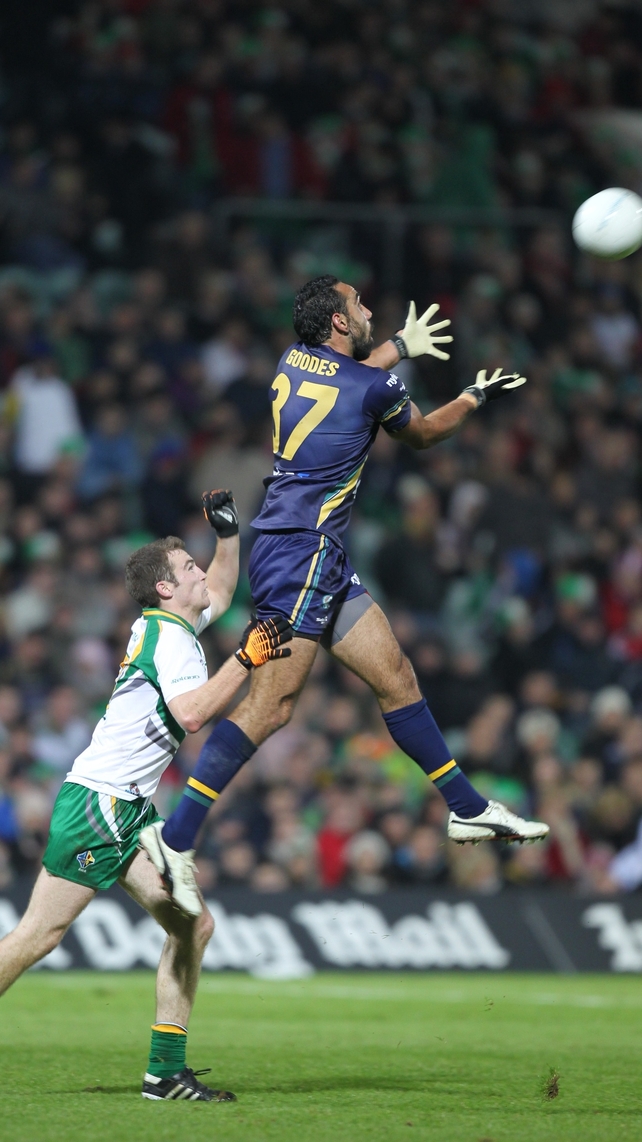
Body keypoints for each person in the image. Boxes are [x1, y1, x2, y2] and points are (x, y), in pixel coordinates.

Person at [141, 276, 549, 916]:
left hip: (311, 554)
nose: (367, 310)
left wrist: (398, 346)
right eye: (358, 303)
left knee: (396, 676)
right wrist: (472, 396)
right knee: (271, 707)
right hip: (302, 555)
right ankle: (175, 838)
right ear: (338, 321)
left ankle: (466, 809)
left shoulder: (292, 360)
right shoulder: (373, 387)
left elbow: (353, 378)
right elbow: (422, 433)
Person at [0, 494, 291, 1103]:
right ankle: (164, 1072)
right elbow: (192, 715)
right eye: (188, 567)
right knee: (38, 937)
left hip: (128, 808)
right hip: (98, 806)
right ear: (164, 587)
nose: (200, 573)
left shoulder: (171, 626)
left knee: (193, 925)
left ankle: (164, 1074)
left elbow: (221, 590)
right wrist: (246, 659)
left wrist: (228, 537)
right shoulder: (172, 642)